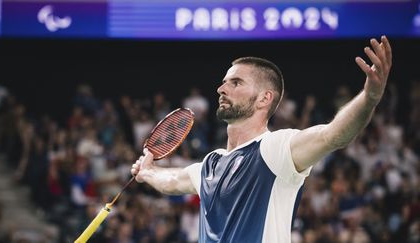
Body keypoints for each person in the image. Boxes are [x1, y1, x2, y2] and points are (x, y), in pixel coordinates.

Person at [131, 36, 392, 243]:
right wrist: (148, 172)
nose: (221, 89)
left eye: (236, 83)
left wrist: (369, 98)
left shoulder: (274, 150)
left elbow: (334, 134)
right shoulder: (211, 164)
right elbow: (173, 181)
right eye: (224, 83)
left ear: (264, 98)